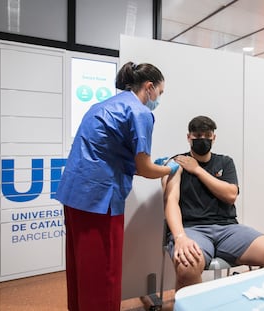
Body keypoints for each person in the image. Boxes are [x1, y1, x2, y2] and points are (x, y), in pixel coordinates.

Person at [55, 61, 179, 311]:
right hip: (100, 202)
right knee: (103, 273)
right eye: (160, 93)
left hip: (75, 196)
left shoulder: (102, 105)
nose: (158, 99)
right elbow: (145, 169)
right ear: (149, 87)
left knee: (81, 268)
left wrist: (140, 165)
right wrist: (169, 168)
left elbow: (107, 153)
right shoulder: (140, 111)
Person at [162, 115, 264, 290]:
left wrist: (197, 169)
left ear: (214, 137)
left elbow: (230, 195)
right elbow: (170, 201)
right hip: (193, 229)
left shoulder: (225, 162)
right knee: (186, 266)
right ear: (189, 137)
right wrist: (180, 236)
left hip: (228, 229)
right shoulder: (178, 162)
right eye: (197, 136)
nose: (202, 139)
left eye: (207, 135)